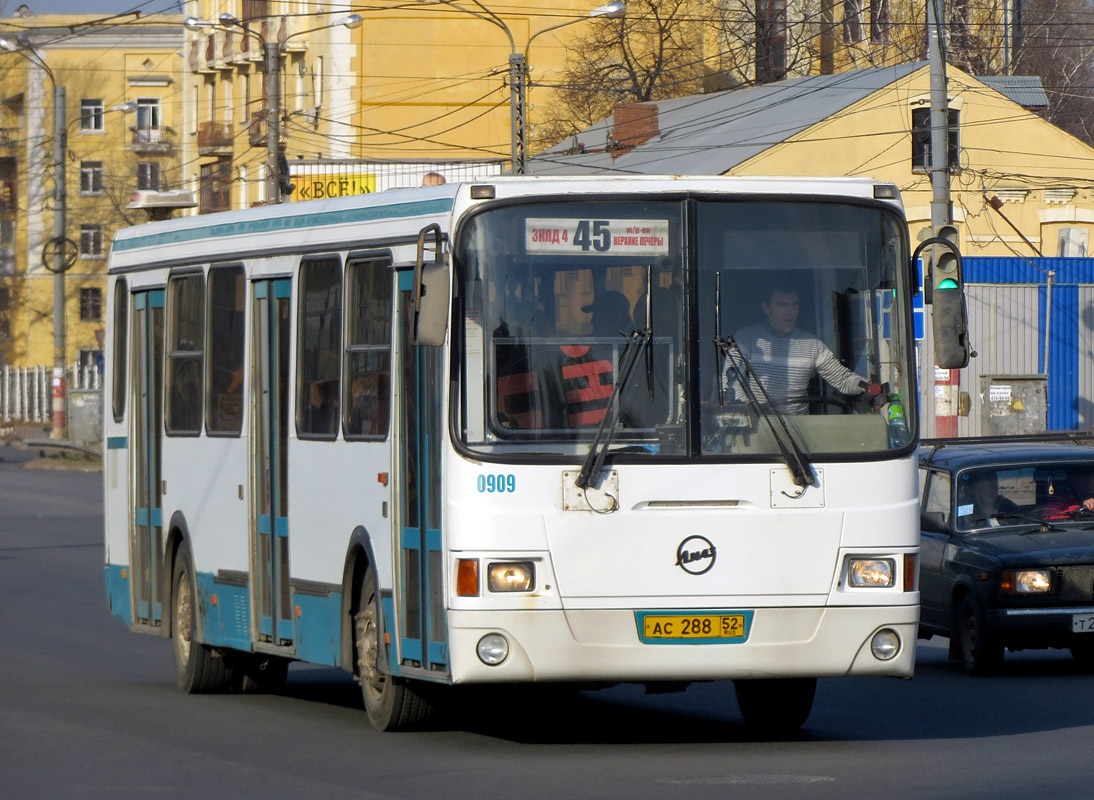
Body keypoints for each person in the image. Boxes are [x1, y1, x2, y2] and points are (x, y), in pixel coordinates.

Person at [723, 286, 873, 414]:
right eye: (782, 304)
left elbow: (842, 379)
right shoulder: (746, 339)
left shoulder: (812, 344)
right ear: (766, 308)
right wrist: (747, 412)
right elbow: (731, 380)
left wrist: (870, 387)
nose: (791, 311)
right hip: (762, 429)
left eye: (794, 305)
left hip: (801, 433)